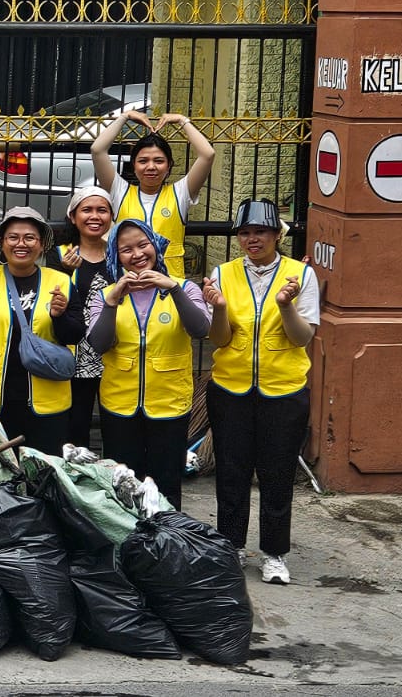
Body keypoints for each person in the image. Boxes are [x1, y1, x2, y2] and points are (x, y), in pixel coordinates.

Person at [203, 198, 317, 586]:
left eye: (261, 232)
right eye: (246, 232)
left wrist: (285, 305)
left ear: (277, 235)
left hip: (284, 390)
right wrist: (219, 307)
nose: (253, 239)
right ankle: (231, 546)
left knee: (277, 473)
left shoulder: (300, 275)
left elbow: (302, 337)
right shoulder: (223, 273)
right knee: (231, 472)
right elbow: (219, 339)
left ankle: (274, 553)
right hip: (230, 387)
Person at [86, 219, 211, 510]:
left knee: (166, 483)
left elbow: (200, 329)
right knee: (124, 484)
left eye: (143, 245)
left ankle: (166, 535)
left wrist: (174, 289)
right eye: (126, 249)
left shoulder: (185, 288)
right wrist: (112, 301)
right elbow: (99, 343)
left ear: (156, 246)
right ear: (116, 256)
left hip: (169, 403)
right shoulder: (104, 295)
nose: (137, 254)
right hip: (120, 405)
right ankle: (129, 536)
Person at [0, 206, 85, 455]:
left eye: (29, 238)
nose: (21, 244)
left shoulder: (61, 282)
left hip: (46, 398)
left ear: (42, 244)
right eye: (13, 237)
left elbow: (76, 335)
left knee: (44, 468)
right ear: (2, 242)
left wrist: (59, 317)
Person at [90, 110, 216, 279]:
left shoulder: (180, 193)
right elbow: (97, 150)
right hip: (130, 282)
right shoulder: (120, 192)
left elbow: (208, 154)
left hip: (170, 282)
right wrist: (125, 117)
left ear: (169, 166)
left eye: (159, 161)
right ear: (134, 166)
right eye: (143, 161)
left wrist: (182, 120)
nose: (151, 167)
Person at [60, 185, 116, 449]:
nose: (95, 216)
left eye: (102, 210)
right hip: (74, 354)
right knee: (76, 424)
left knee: (115, 424)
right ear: (73, 216)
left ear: (111, 216)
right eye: (87, 210)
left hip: (114, 352)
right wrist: (64, 273)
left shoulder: (120, 255)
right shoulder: (60, 254)